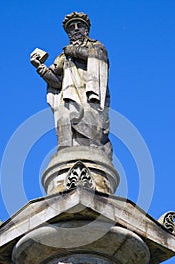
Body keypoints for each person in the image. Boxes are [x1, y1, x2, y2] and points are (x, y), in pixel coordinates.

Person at [30, 12, 113, 160]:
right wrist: (40, 67)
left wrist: (73, 51)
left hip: (88, 96)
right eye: (71, 27)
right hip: (67, 96)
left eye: (79, 26)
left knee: (90, 125)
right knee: (65, 124)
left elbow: (99, 59)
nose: (75, 29)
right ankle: (66, 155)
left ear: (86, 30)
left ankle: (93, 154)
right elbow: (56, 81)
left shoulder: (96, 46)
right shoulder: (63, 56)